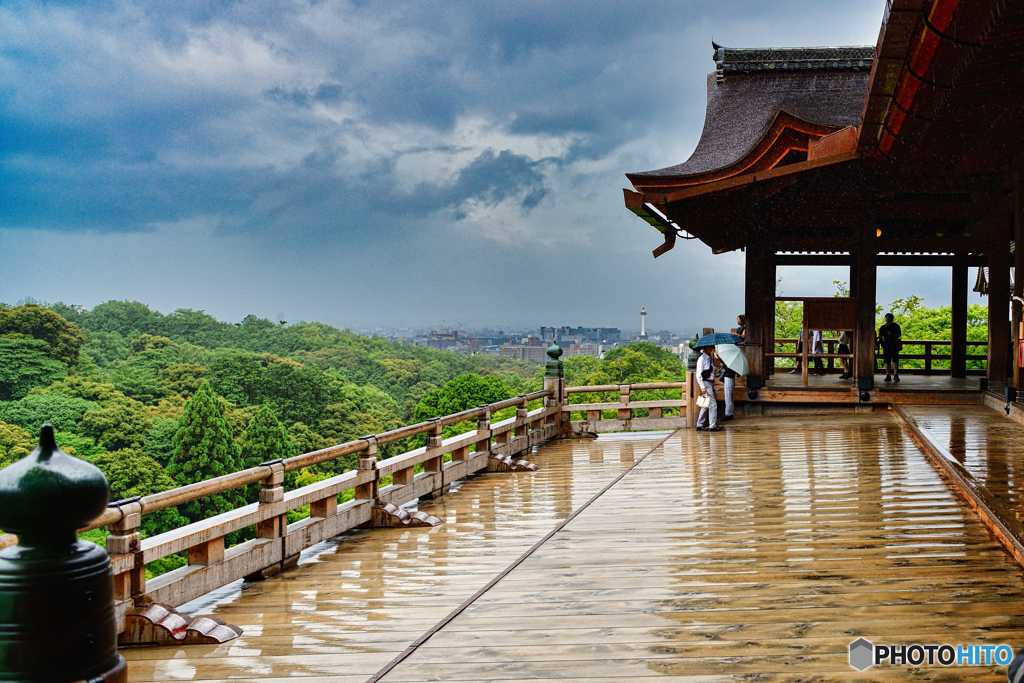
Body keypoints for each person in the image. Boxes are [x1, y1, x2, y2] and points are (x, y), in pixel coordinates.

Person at [695, 345, 722, 431]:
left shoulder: (709, 358)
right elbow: (698, 374)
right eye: (710, 348)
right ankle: (712, 425)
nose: (711, 350)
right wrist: (702, 387)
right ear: (706, 348)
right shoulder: (702, 359)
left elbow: (711, 371)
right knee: (712, 404)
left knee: (705, 404)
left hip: (709, 383)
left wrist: (716, 365)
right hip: (706, 383)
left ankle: (699, 424)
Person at [877, 313, 902, 382]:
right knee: (887, 361)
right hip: (886, 345)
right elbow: (880, 338)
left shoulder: (896, 326)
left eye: (887, 317)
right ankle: (888, 375)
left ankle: (896, 375)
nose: (886, 319)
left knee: (895, 360)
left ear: (891, 319)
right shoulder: (883, 327)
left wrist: (892, 334)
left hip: (894, 345)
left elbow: (899, 334)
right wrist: (879, 334)